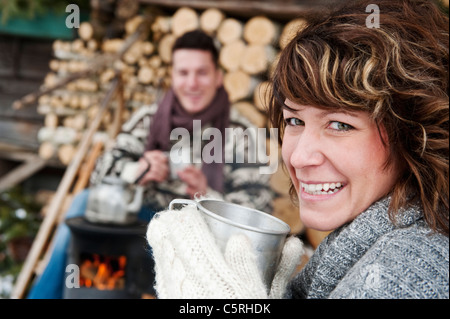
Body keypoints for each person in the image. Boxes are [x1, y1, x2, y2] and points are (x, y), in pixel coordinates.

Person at [146, 0, 449, 299]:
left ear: (413, 134)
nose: (298, 157)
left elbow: (256, 204)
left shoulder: (405, 270)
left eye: (340, 124)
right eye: (294, 120)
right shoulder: (148, 121)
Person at [27, 30, 274, 299]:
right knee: (85, 204)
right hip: (138, 234)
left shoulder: (242, 134)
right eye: (183, 73)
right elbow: (101, 174)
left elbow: (259, 206)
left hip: (199, 245)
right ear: (172, 76)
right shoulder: (147, 120)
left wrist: (208, 198)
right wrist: (138, 170)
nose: (192, 83)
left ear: (218, 77)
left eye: (201, 73)